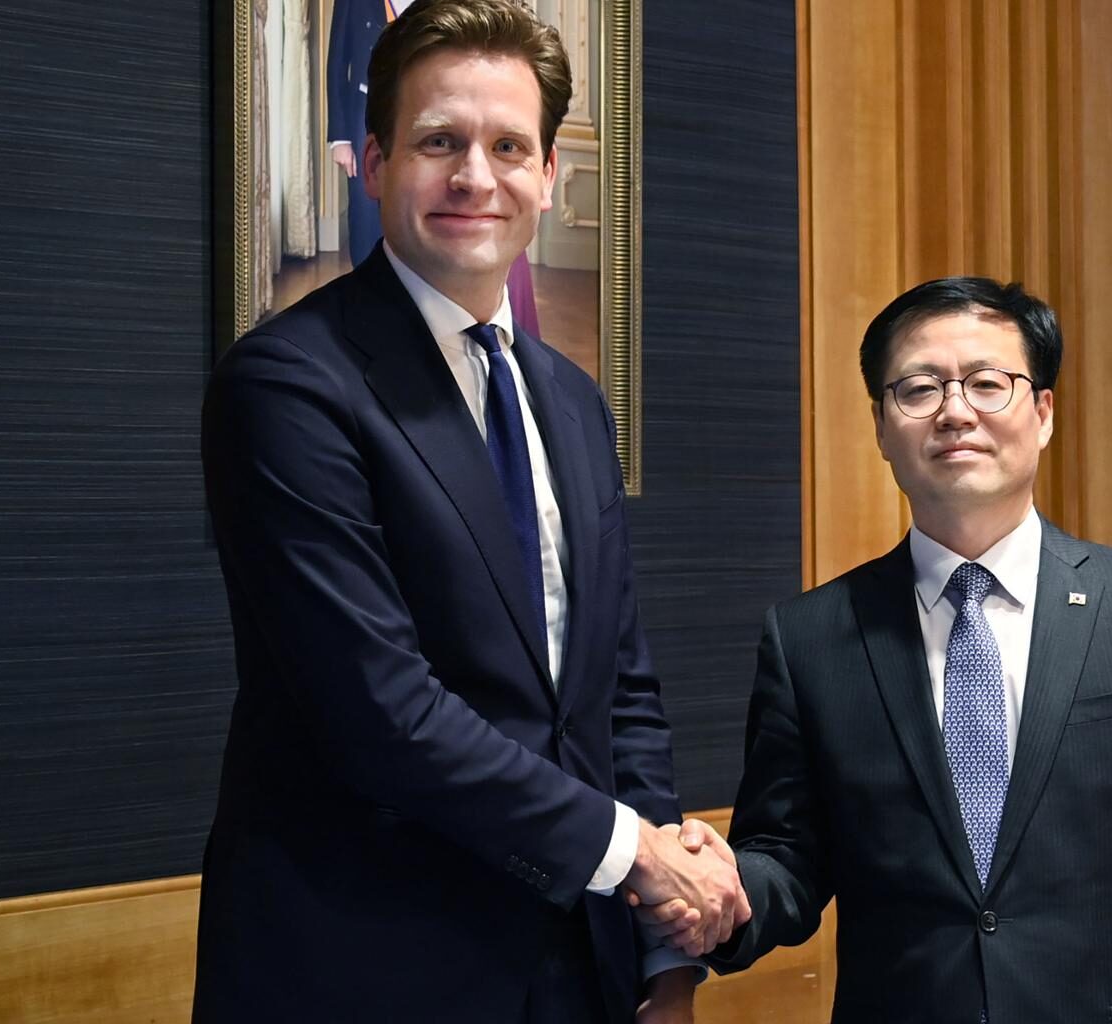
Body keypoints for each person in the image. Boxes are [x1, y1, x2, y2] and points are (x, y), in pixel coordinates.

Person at [194, 2, 743, 1021]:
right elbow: (381, 712)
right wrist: (635, 853)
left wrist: (664, 948)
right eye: (440, 142)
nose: (475, 178)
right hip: (367, 966)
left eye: (509, 147)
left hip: (576, 967)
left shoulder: (572, 401)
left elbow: (618, 692)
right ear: (374, 161)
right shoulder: (287, 386)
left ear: (549, 174)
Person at [693, 277, 1112, 1021]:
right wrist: (721, 891)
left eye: (986, 383)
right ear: (880, 427)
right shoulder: (809, 638)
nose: (955, 411)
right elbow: (788, 860)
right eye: (919, 389)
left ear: (1043, 413)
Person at [327, 0, 388, 265]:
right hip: (364, 111)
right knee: (365, 211)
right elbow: (337, 62)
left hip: (417, 109)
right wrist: (339, 137)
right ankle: (364, 285)